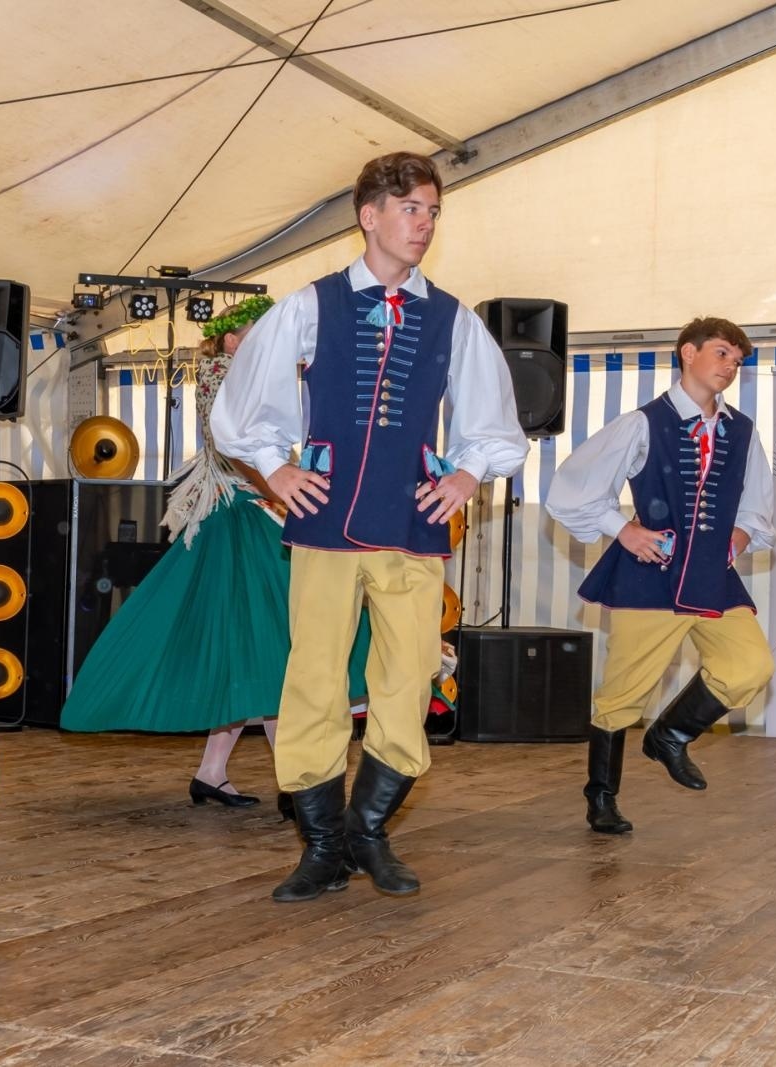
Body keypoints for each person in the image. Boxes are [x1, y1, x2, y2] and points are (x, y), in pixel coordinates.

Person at [212, 151, 528, 902]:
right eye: (412, 209)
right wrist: (275, 469)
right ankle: (322, 846)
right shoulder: (309, 305)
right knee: (315, 680)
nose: (423, 224)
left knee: (410, 675)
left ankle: (369, 831)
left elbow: (494, 421)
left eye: (432, 212)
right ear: (371, 215)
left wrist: (465, 474)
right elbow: (244, 406)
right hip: (323, 522)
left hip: (414, 523)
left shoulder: (453, 318)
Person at [61, 296, 370, 807]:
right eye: (256, 332)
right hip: (239, 515)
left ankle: (213, 772)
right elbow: (232, 446)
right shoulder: (223, 372)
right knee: (269, 643)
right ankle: (294, 780)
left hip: (248, 513)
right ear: (230, 339)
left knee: (249, 649)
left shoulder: (244, 371)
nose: (269, 340)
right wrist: (276, 486)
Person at [544, 316, 774, 834]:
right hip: (652, 576)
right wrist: (623, 531)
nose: (730, 366)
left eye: (737, 360)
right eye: (721, 353)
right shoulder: (643, 422)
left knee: (750, 665)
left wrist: (741, 535)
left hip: (713, 576)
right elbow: (573, 488)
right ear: (687, 353)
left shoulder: (741, 430)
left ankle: (669, 735)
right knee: (622, 695)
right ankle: (601, 798)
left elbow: (756, 504)